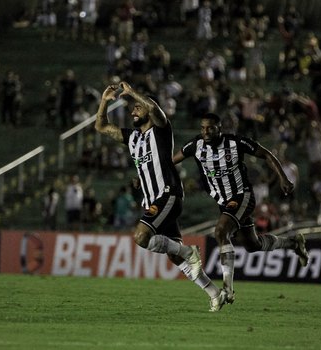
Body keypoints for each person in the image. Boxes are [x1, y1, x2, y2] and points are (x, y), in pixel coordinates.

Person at [95, 81, 227, 312]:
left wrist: (133, 93)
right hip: (154, 200)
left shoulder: (161, 131)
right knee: (174, 256)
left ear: (147, 108)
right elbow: (102, 126)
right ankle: (215, 293)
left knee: (141, 237)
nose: (133, 110)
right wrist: (104, 102)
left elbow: (156, 110)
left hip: (168, 195)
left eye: (137, 107)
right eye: (132, 107)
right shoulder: (133, 138)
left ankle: (190, 251)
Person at [173, 113, 309, 304]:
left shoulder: (236, 143)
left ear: (219, 128)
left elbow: (267, 155)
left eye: (210, 128)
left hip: (242, 196)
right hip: (223, 202)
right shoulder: (196, 145)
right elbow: (170, 162)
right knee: (253, 245)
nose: (205, 132)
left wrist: (283, 179)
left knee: (220, 232)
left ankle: (228, 289)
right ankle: (294, 243)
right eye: (202, 128)